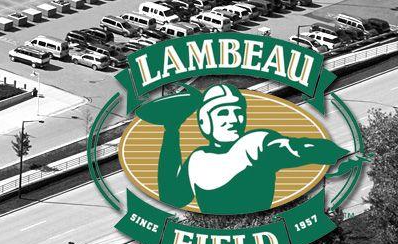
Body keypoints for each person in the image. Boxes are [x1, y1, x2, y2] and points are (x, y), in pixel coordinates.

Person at [143, 84, 349, 215]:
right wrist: (171, 129)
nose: (233, 119)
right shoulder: (197, 159)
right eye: (223, 112)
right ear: (205, 122)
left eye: (238, 112)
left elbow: (296, 148)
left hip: (259, 233)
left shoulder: (255, 144)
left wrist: (329, 151)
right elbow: (172, 196)